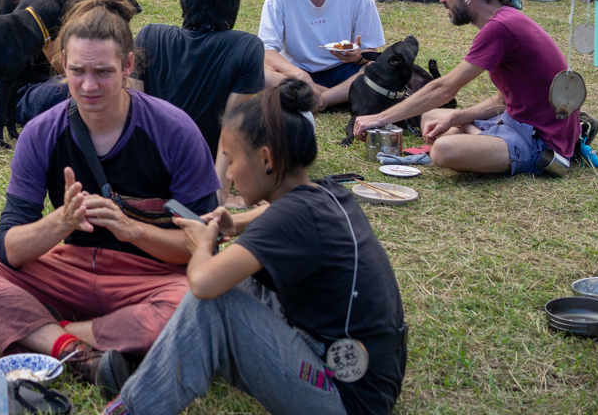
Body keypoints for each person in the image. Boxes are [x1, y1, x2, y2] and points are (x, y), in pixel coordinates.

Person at [0, 0, 219, 396]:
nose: (88, 86)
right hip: (69, 270)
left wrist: (134, 230)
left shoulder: (173, 130)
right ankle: (74, 349)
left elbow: (203, 248)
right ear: (61, 64)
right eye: (77, 71)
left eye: (103, 72)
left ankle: (39, 330)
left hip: (149, 277)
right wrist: (60, 222)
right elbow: (10, 249)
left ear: (128, 66)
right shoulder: (41, 133)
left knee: (200, 305)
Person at [117, 78, 406, 415]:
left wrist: (200, 246)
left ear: (266, 159)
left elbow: (204, 284)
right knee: (245, 278)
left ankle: (133, 408)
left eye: (230, 160)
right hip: (370, 375)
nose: (228, 176)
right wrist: (236, 223)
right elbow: (274, 216)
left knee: (215, 301)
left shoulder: (291, 217)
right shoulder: (323, 193)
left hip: (346, 396)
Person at [353, 0, 582, 177]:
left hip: (540, 140)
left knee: (443, 150)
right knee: (432, 117)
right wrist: (458, 117)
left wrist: (379, 118)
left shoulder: (500, 27)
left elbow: (444, 89)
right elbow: (504, 100)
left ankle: (479, 138)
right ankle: (475, 135)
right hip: (516, 122)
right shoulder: (505, 19)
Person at [135, 0, 265, 185]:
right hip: (204, 163)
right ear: (233, 1)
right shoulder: (247, 47)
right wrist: (220, 191)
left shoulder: (149, 35)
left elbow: (134, 110)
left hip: (153, 163)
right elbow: (232, 125)